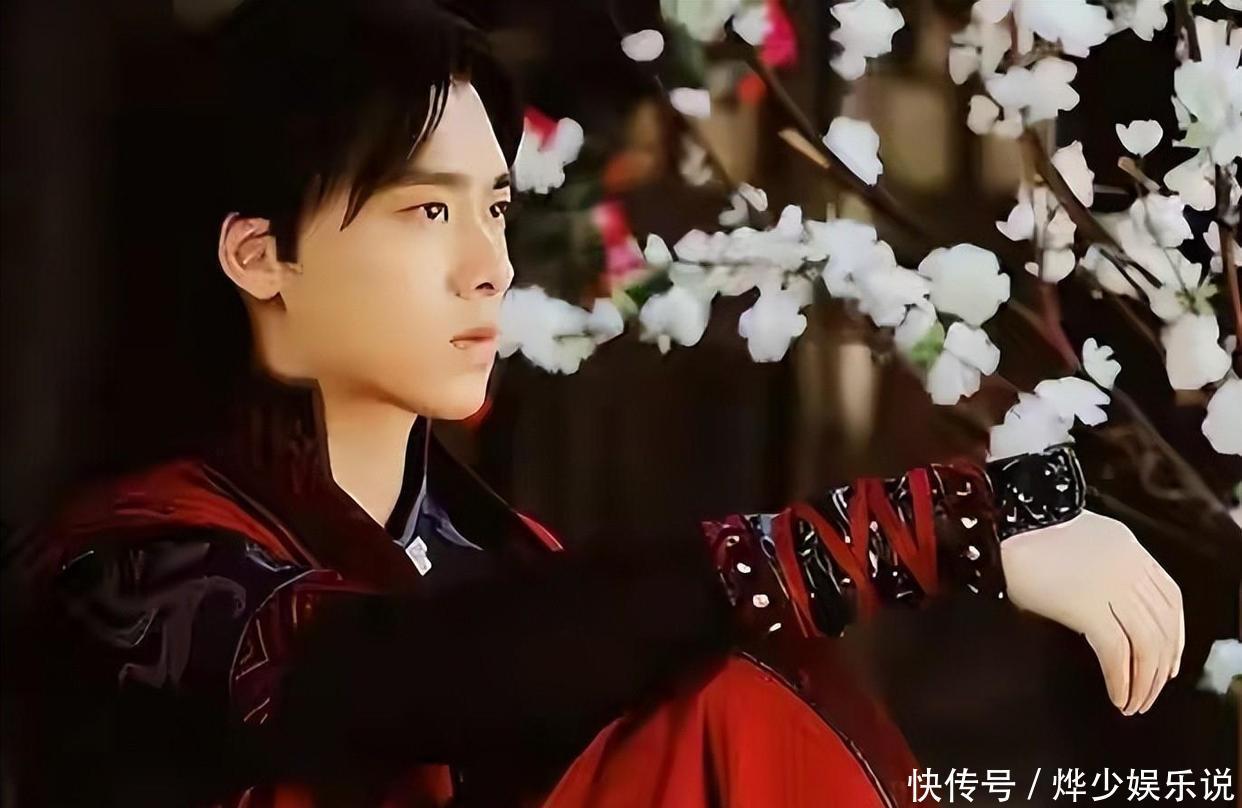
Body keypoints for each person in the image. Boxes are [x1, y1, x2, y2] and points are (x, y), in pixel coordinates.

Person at [1, 0, 1185, 805]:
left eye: (496, 208)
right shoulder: (129, 577)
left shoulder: (512, 560)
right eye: (428, 210)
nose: (490, 265)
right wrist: (931, 527)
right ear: (261, 253)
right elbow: (401, 676)